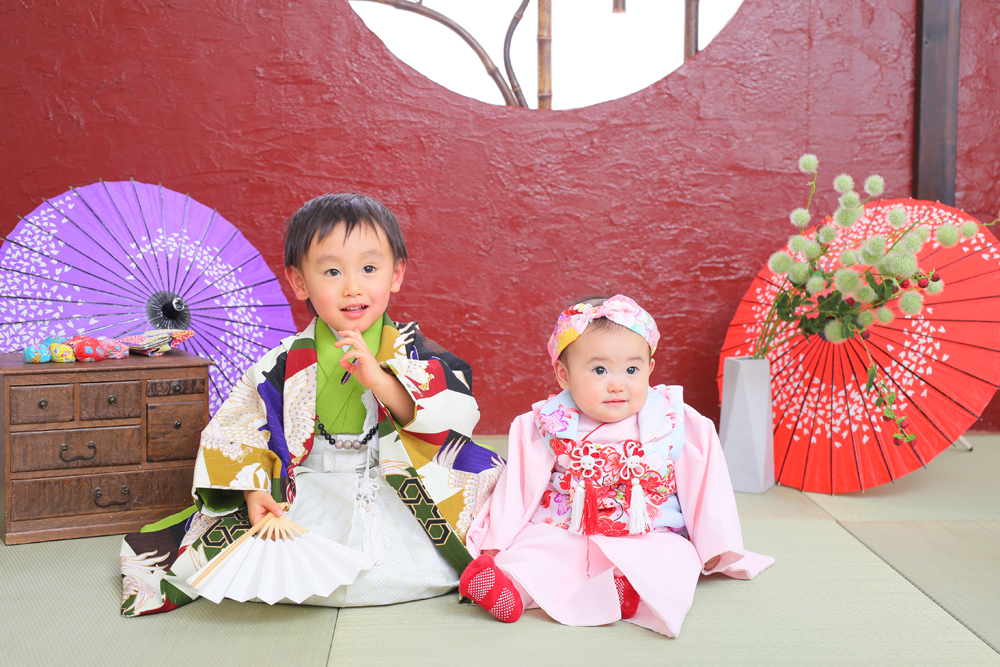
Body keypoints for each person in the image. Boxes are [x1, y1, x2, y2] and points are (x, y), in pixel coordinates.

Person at [121, 193, 503, 616]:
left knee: (490, 508)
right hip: (307, 483)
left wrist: (380, 380)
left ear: (396, 274)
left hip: (395, 478)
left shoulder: (412, 350)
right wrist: (254, 489)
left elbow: (454, 412)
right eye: (332, 271)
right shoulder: (281, 362)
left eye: (369, 269)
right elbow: (238, 428)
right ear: (299, 281)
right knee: (249, 549)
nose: (353, 287)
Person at [463, 295, 774, 636]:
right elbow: (519, 486)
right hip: (569, 525)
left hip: (649, 529)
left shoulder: (673, 419)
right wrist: (497, 540)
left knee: (671, 559)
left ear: (650, 369)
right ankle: (511, 590)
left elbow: (705, 485)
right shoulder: (549, 422)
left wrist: (715, 544)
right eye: (599, 370)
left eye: (631, 370)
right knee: (538, 551)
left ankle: (626, 592)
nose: (617, 384)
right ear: (564, 375)